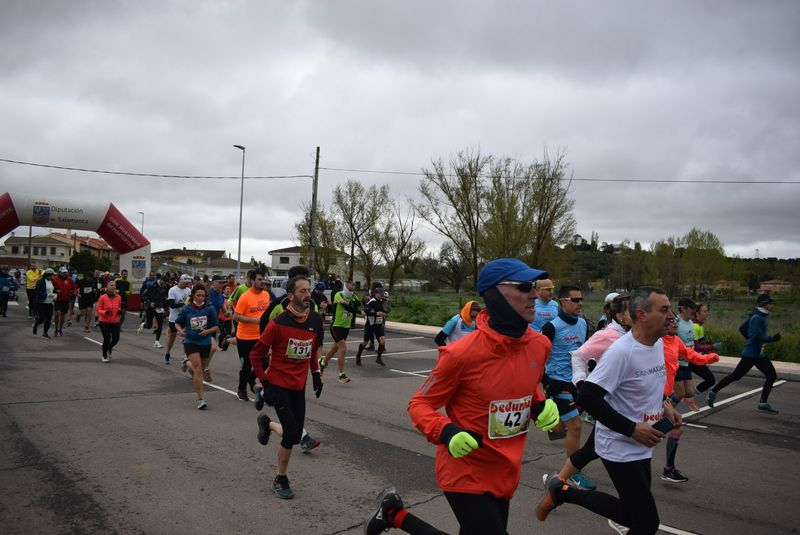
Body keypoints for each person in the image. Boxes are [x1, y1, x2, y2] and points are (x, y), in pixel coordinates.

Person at [366, 259, 560, 535]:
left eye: (536, 287)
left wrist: (540, 405)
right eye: (526, 286)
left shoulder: (540, 345)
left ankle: (394, 515)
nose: (535, 294)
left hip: (506, 470)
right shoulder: (461, 354)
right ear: (495, 294)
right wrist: (447, 432)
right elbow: (419, 404)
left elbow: (529, 388)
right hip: (465, 471)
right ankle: (394, 515)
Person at [538, 287, 681, 535]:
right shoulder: (622, 352)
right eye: (664, 310)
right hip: (619, 445)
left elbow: (651, 384)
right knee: (647, 523)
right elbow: (588, 397)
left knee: (629, 514)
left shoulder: (656, 344)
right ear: (642, 314)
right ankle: (560, 490)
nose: (672, 316)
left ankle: (561, 491)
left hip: (642, 444)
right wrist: (631, 428)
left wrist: (666, 406)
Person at [249, 275, 324, 499]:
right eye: (302, 291)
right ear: (290, 296)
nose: (308, 294)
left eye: (308, 290)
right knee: (292, 433)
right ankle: (281, 479)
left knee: (292, 435)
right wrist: (265, 381)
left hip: (298, 386)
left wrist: (316, 374)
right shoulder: (278, 323)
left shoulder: (316, 320)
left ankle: (268, 424)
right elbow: (255, 354)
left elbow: (311, 349)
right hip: (278, 383)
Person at [540, 285, 593, 490]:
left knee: (562, 427)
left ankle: (548, 420)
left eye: (581, 299)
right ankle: (573, 473)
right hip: (557, 381)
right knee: (576, 425)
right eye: (575, 299)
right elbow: (539, 356)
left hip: (576, 381)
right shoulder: (551, 327)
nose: (580, 303)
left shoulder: (582, 324)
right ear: (563, 302)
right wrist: (544, 383)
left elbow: (584, 351)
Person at [660, 313, 719, 482]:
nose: (674, 324)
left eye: (675, 321)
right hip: (652, 394)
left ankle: (668, 469)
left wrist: (708, 358)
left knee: (674, 427)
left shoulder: (676, 341)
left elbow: (690, 355)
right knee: (640, 434)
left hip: (663, 396)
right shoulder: (656, 342)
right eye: (670, 321)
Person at [708, 293, 781, 414]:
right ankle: (713, 391)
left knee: (771, 376)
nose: (772, 305)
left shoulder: (758, 315)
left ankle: (763, 403)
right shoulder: (757, 318)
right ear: (765, 304)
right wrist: (771, 339)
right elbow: (756, 336)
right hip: (751, 355)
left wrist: (751, 341)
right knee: (736, 376)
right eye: (770, 303)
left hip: (758, 354)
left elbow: (742, 328)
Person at [175, 283, 219, 410]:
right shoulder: (186, 309)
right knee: (199, 370)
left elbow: (216, 326)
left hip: (205, 342)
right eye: (198, 295)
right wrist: (180, 331)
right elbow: (177, 323)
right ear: (193, 295)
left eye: (203, 296)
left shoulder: (209, 308)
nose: (201, 298)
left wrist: (207, 331)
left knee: (199, 368)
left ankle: (185, 362)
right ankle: (201, 399)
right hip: (191, 341)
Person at [233, 269, 270, 401]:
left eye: (263, 279)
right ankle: (241, 389)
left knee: (265, 362)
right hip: (245, 337)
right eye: (259, 279)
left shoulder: (266, 295)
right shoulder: (245, 297)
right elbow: (236, 316)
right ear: (252, 280)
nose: (262, 282)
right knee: (246, 365)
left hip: (261, 336)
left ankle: (251, 377)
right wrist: (255, 320)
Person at [319, 280, 358, 383]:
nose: (353, 285)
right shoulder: (338, 294)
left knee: (334, 349)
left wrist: (354, 306)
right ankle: (341, 375)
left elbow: (357, 304)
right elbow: (347, 307)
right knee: (343, 348)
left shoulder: (353, 297)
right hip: (336, 326)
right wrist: (354, 308)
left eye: (353, 284)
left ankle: (323, 362)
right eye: (351, 283)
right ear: (346, 285)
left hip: (346, 327)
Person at [673, 298, 701, 411]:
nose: (694, 311)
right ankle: (666, 415)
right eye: (692, 308)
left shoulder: (690, 322)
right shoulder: (676, 321)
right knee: (680, 393)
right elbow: (669, 339)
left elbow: (691, 342)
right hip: (676, 362)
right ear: (684, 309)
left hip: (686, 362)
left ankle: (667, 400)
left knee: (689, 392)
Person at [355, 287, 390, 368]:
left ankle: (378, 358)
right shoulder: (372, 302)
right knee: (365, 342)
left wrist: (384, 313)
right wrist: (376, 314)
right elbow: (366, 312)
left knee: (382, 341)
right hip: (370, 324)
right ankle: (358, 355)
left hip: (378, 324)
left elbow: (383, 310)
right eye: (380, 295)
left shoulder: (381, 301)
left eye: (382, 295)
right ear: (376, 293)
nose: (381, 296)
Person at [690, 302, 721, 394]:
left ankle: (689, 396)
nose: (707, 313)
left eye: (707, 311)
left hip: (695, 358)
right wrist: (712, 346)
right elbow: (695, 346)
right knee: (710, 380)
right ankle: (689, 396)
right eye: (705, 311)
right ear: (697, 313)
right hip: (692, 359)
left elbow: (699, 344)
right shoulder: (695, 327)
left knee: (710, 380)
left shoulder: (699, 326)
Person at [164, 274, 193, 365]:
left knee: (186, 337)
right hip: (174, 317)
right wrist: (184, 305)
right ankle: (167, 353)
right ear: (181, 281)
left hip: (185, 317)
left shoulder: (188, 290)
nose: (188, 285)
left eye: (189, 283)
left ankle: (185, 356)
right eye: (186, 283)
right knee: (172, 336)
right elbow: (172, 305)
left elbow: (191, 302)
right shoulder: (172, 290)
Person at [96, 280, 123, 363]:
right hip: (104, 321)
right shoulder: (102, 297)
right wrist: (104, 312)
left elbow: (118, 307)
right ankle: (104, 355)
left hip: (115, 321)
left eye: (114, 285)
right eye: (111, 285)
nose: (113, 286)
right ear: (107, 287)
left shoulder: (118, 297)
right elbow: (98, 310)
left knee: (116, 339)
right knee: (107, 339)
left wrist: (119, 310)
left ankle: (109, 347)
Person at [140, 276, 170, 348]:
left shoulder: (164, 287)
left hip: (159, 307)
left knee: (160, 324)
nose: (165, 285)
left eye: (166, 284)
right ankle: (143, 325)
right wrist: (150, 303)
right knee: (149, 325)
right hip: (151, 307)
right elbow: (144, 295)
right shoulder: (151, 285)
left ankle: (157, 341)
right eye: (164, 283)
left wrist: (166, 307)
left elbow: (164, 297)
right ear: (161, 280)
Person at [51, 266, 77, 337]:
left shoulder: (69, 279)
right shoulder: (55, 279)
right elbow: (51, 287)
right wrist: (56, 290)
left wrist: (74, 293)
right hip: (57, 299)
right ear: (59, 272)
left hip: (65, 299)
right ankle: (56, 329)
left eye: (66, 272)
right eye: (63, 272)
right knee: (57, 313)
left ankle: (60, 329)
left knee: (62, 315)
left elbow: (74, 287)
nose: (65, 274)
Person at [32, 268, 57, 338]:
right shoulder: (40, 281)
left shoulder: (52, 281)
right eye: (52, 275)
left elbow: (53, 290)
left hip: (49, 303)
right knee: (42, 318)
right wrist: (46, 295)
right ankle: (36, 324)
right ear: (48, 275)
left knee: (49, 319)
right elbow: (37, 291)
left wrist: (56, 293)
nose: (53, 276)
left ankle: (45, 333)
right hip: (41, 302)